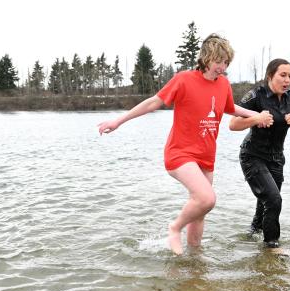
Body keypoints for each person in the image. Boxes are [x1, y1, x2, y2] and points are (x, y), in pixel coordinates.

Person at [97, 34, 270, 255]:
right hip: (180, 153)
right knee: (207, 198)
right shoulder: (183, 80)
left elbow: (231, 108)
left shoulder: (223, 84)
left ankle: (194, 261)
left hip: (206, 155)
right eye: (219, 61)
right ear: (207, 58)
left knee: (200, 211)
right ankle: (174, 228)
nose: (223, 67)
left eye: (226, 62)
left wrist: (258, 115)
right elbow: (153, 102)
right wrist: (118, 121)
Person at [229, 58, 290, 249]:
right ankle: (272, 246)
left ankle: (253, 236)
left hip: (277, 159)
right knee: (273, 199)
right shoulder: (256, 95)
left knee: (266, 203)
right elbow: (233, 124)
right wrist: (256, 118)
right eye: (283, 75)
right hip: (252, 156)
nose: (287, 80)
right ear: (270, 75)